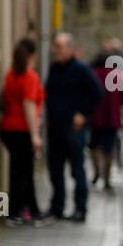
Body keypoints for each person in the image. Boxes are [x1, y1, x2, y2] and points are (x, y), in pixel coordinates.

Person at [43, 32, 103, 223]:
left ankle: (80, 209)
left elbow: (97, 92)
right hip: (55, 128)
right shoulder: (54, 68)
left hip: (73, 129)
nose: (56, 51)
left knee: (77, 170)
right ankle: (57, 207)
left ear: (70, 49)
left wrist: (83, 113)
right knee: (55, 170)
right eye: (55, 47)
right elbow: (49, 93)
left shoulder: (80, 69)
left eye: (59, 47)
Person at [0, 37, 45, 225]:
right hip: (22, 129)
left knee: (18, 170)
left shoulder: (10, 74)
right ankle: (17, 211)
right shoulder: (30, 77)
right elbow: (28, 105)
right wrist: (35, 135)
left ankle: (28, 210)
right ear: (33, 55)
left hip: (7, 128)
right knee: (23, 172)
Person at [88, 38, 123, 194]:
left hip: (95, 117)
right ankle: (107, 178)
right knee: (109, 149)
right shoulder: (116, 75)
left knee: (94, 145)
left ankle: (97, 171)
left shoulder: (92, 74)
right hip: (111, 117)